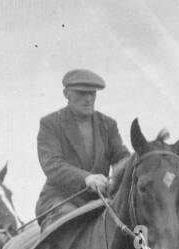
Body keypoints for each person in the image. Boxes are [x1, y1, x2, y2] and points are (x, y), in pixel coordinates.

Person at [34, 68, 130, 229]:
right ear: (66, 94)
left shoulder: (108, 124)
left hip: (102, 199)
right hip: (61, 200)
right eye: (81, 93)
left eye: (92, 93)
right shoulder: (50, 124)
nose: (88, 99)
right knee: (67, 226)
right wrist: (85, 178)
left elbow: (122, 157)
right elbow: (52, 164)